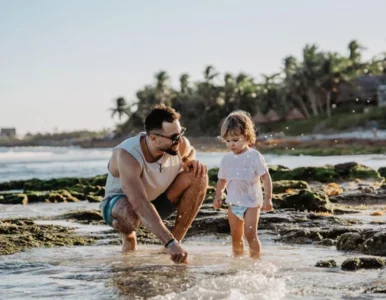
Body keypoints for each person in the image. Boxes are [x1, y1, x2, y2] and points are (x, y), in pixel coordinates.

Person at [100, 104, 208, 264]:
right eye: (174, 137)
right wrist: (168, 241)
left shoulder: (179, 144)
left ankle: (174, 245)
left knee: (199, 175)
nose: (179, 140)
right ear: (153, 138)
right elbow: (139, 202)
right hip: (121, 206)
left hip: (157, 203)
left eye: (181, 133)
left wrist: (189, 161)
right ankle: (129, 239)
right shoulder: (127, 155)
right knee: (128, 212)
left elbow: (189, 153)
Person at [213, 111, 273, 258]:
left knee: (250, 233)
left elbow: (266, 178)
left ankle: (255, 262)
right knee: (235, 236)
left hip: (252, 203)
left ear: (246, 137)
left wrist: (268, 198)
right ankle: (238, 261)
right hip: (233, 203)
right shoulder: (226, 159)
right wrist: (218, 195)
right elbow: (222, 179)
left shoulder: (254, 156)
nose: (231, 144)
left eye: (235, 140)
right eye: (227, 141)